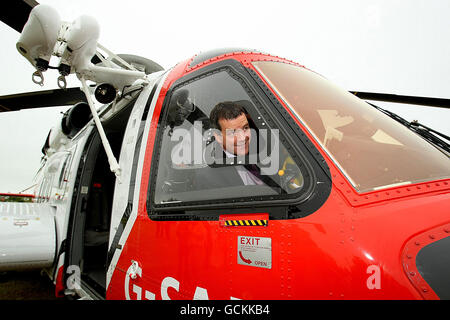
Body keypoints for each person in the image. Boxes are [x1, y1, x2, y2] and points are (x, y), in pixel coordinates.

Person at [194, 101, 269, 189]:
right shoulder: (209, 177)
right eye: (232, 132)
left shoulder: (262, 149)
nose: (242, 138)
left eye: (245, 128)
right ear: (218, 137)